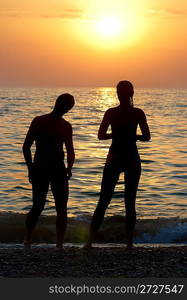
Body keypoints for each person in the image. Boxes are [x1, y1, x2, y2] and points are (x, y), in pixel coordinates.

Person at [85, 81, 151, 250]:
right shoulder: (138, 113)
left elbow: (100, 135)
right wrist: (133, 136)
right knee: (130, 202)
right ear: (132, 93)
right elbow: (147, 137)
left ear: (117, 94)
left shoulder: (111, 112)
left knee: (104, 200)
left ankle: (90, 242)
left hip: (114, 156)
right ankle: (129, 244)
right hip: (131, 156)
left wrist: (115, 133)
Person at [23, 93, 75, 249]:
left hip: (55, 168)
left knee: (58, 207)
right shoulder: (40, 121)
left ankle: (57, 243)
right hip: (43, 168)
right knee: (40, 206)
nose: (65, 108)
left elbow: (71, 151)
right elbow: (26, 147)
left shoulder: (64, 126)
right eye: (66, 105)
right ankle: (29, 239)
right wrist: (30, 168)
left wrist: (69, 168)